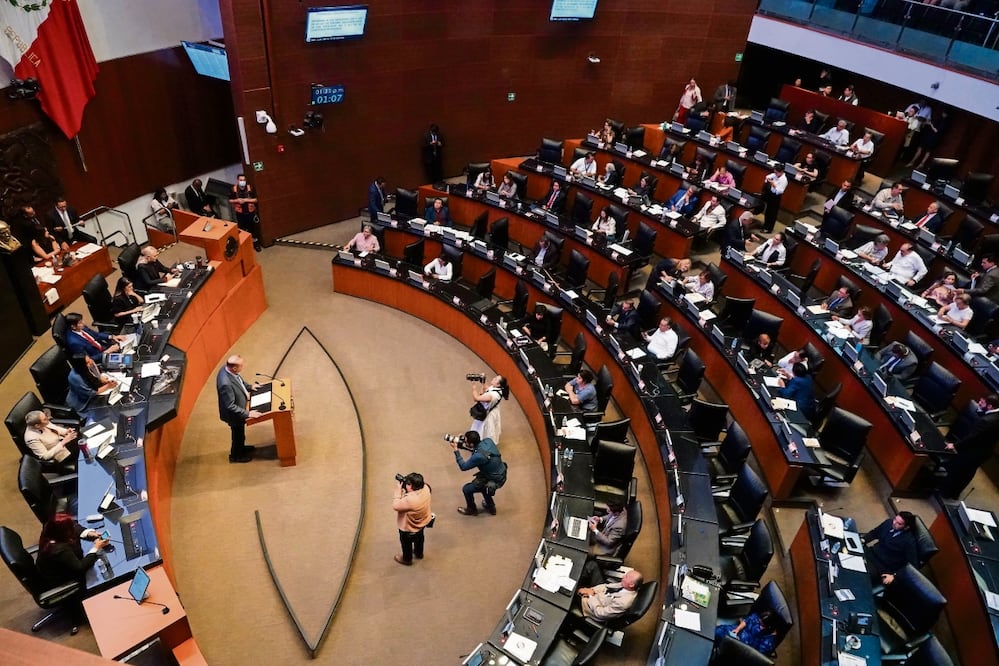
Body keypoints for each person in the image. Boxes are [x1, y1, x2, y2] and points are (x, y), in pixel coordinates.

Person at [940, 394, 999, 498]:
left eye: (982, 403)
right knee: (968, 472)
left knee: (960, 470)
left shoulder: (986, 421)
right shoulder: (995, 415)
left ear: (990, 406)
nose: (979, 403)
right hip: (986, 450)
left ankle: (947, 493)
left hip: (975, 451)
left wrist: (954, 445)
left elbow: (971, 438)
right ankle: (954, 493)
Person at [36, 512, 109, 587]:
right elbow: (80, 568)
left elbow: (74, 526)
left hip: (62, 565)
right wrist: (96, 548)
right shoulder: (60, 550)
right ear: (63, 532)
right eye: (70, 529)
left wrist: (89, 533)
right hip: (62, 579)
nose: (73, 529)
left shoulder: (50, 529)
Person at [216, 354, 262, 463]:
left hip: (239, 410)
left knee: (240, 434)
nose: (243, 366)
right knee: (237, 435)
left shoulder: (227, 369)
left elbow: (239, 381)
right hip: (234, 415)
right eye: (241, 365)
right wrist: (248, 413)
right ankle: (236, 456)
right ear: (234, 368)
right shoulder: (225, 383)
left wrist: (249, 387)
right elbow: (230, 405)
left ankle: (241, 448)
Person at [452, 430, 505, 516]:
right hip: (501, 473)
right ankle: (491, 507)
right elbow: (479, 451)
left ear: (471, 444)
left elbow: (463, 466)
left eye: (466, 441)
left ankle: (471, 509)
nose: (464, 442)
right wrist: (462, 446)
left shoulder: (478, 457)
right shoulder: (488, 441)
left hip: (493, 479)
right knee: (484, 488)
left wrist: (456, 450)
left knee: (467, 489)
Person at [863, 512, 919, 585]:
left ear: (906, 527)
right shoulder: (888, 523)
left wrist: (894, 576)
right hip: (871, 552)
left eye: (899, 523)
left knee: (861, 574)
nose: (894, 523)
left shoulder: (909, 541)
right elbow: (874, 533)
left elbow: (912, 565)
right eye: (895, 519)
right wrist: (863, 540)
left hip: (882, 566)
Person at [392, 472, 432, 565]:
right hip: (422, 522)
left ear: (410, 486)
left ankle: (407, 559)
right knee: (420, 538)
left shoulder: (410, 499)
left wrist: (398, 492)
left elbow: (396, 505)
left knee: (406, 543)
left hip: (409, 527)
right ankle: (419, 553)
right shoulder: (426, 488)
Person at [577, 569, 643, 623]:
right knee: (592, 565)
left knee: (573, 588)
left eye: (626, 577)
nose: (623, 576)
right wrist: (591, 590)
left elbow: (600, 613)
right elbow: (606, 586)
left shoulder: (623, 603)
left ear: (631, 585)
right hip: (598, 595)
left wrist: (591, 595)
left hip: (590, 608)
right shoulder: (625, 585)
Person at [715, 610, 780, 655]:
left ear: (769, 627)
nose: (759, 625)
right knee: (718, 631)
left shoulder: (768, 643)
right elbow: (746, 621)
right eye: (759, 622)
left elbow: (754, 655)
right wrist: (737, 629)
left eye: (762, 625)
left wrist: (738, 644)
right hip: (737, 633)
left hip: (742, 648)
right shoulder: (758, 618)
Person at [470, 375, 509, 444]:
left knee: (485, 430)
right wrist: (483, 382)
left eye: (496, 379)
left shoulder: (492, 395)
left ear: (498, 384)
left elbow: (476, 398)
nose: (493, 378)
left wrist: (474, 388)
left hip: (487, 414)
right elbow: (487, 388)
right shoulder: (497, 388)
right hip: (492, 410)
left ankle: (482, 443)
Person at [229, 174, 261, 251]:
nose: (242, 182)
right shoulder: (233, 189)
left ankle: (255, 244)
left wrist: (246, 200)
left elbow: (256, 199)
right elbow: (230, 200)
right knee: (242, 230)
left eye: (244, 180)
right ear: (238, 180)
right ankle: (245, 246)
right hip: (240, 214)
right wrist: (237, 200)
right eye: (241, 180)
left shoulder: (250, 188)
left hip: (250, 212)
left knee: (253, 229)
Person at [760, 164, 787, 233]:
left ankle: (769, 228)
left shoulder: (784, 180)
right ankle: (765, 225)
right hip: (770, 194)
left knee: (772, 213)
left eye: (777, 172)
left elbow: (779, 192)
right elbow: (767, 177)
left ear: (781, 172)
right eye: (775, 172)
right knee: (767, 211)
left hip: (775, 197)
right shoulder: (775, 175)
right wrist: (769, 180)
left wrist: (773, 184)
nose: (775, 174)